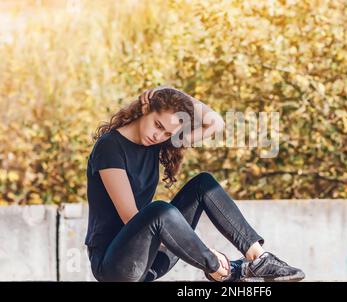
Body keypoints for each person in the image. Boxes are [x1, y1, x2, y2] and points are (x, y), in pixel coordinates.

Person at [85, 85, 305, 282]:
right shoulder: (109, 147)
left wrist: (169, 90)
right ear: (145, 109)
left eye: (167, 133)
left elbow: (215, 123)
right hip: (115, 266)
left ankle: (259, 258)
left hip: (152, 261)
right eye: (157, 125)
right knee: (160, 210)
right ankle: (221, 270)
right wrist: (205, 253)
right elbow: (130, 217)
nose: (159, 135)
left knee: (203, 184)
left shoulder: (156, 142)